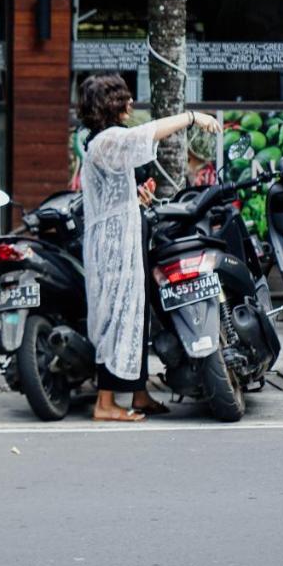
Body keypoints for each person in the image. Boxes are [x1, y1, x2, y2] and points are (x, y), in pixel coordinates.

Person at [78, 73, 222, 422]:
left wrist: (135, 196)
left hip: (126, 236)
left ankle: (139, 394)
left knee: (135, 317)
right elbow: (145, 133)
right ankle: (105, 403)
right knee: (117, 316)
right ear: (110, 104)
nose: (130, 104)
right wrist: (191, 116)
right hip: (113, 245)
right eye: (124, 98)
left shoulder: (101, 141)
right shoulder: (105, 140)